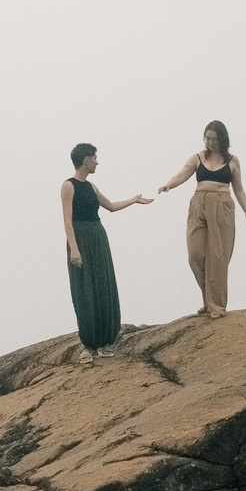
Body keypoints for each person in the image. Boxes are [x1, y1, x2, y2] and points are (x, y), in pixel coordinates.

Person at [158, 120, 246, 318]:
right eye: (207, 138)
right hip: (198, 204)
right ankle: (207, 300)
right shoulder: (198, 157)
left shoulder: (232, 160)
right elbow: (182, 174)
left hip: (222, 204)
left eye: (214, 139)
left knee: (217, 258)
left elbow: (239, 188)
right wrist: (168, 185)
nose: (210, 143)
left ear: (222, 140)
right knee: (195, 255)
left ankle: (216, 306)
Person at [62, 143, 150, 352]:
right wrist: (74, 248)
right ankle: (88, 344)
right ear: (86, 160)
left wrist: (134, 200)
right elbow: (67, 220)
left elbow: (110, 206)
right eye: (94, 158)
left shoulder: (91, 187)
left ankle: (104, 342)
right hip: (80, 238)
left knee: (102, 284)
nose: (97, 162)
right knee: (84, 288)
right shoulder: (68, 186)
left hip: (98, 236)